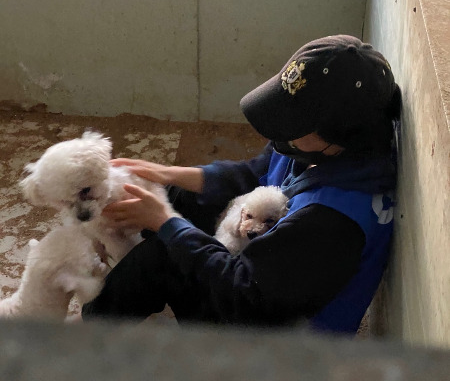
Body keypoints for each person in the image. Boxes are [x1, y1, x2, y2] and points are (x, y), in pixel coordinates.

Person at [82, 34, 401, 335]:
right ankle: (125, 289)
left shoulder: (332, 220)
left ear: (335, 133)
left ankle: (88, 336)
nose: (281, 129)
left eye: (295, 121)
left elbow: (247, 296)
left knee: (162, 256)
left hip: (276, 337)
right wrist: (167, 175)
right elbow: (253, 176)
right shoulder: (323, 149)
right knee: (173, 195)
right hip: (272, 263)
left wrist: (167, 224)